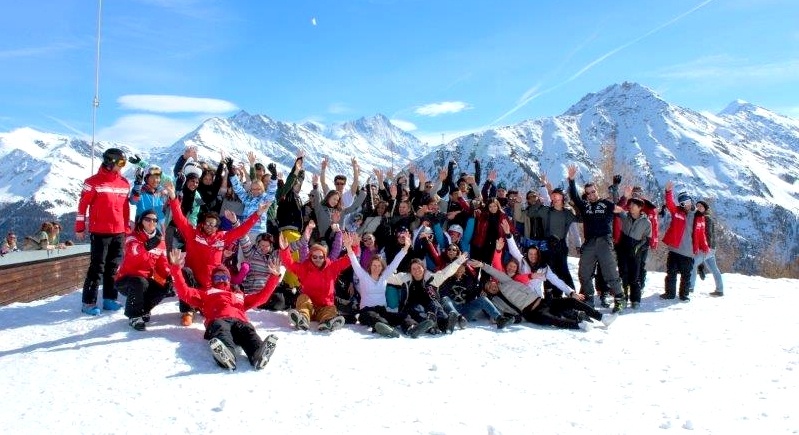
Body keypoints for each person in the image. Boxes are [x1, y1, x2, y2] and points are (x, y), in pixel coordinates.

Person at [168, 249, 282, 371]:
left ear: (229, 279)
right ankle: (226, 355)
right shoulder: (207, 293)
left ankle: (258, 353)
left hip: (239, 321)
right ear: (213, 280)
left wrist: (274, 277)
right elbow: (184, 292)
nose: (221, 280)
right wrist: (175, 269)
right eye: (217, 277)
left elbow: (261, 298)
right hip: (218, 320)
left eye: (224, 277)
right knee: (221, 328)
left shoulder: (239, 295)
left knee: (248, 330)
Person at [468, 259, 617, 331]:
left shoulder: (505, 281)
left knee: (572, 302)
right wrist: (485, 298)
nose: (492, 286)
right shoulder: (495, 302)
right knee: (553, 320)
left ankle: (602, 318)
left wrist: (482, 265)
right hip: (531, 313)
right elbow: (494, 313)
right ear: (487, 291)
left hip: (542, 301)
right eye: (488, 287)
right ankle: (579, 325)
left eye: (491, 283)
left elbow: (495, 272)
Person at [76, 148, 131, 316]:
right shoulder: (92, 182)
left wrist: (126, 228)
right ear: (110, 162)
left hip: (119, 231)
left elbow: (125, 207)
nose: (123, 166)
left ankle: (109, 298)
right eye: (120, 163)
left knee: (113, 267)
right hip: (100, 231)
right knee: (97, 267)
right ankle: (88, 302)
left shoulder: (124, 183)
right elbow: (82, 205)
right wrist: (80, 227)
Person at [566, 164, 625, 311]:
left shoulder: (606, 204)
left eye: (593, 192)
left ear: (596, 191)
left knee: (610, 271)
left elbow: (618, 205)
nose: (591, 194)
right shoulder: (585, 206)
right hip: (590, 242)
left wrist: (620, 195)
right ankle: (589, 298)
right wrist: (571, 180)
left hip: (605, 241)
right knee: (584, 272)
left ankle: (619, 299)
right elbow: (574, 196)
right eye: (588, 193)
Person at [279, 232, 357, 332]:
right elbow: (289, 264)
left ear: (325, 257)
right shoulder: (305, 268)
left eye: (321, 257)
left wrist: (353, 247)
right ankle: (302, 319)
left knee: (331, 308)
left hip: (324, 307)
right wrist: (285, 250)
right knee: (302, 298)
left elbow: (348, 260)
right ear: (310, 256)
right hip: (308, 307)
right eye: (314, 257)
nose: (318, 259)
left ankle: (327, 322)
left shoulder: (332, 267)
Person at [115, 210, 172, 331]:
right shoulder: (132, 236)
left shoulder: (160, 241)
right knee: (139, 282)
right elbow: (133, 252)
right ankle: (134, 316)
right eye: (148, 219)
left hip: (145, 280)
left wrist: (169, 276)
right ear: (141, 221)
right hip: (125, 280)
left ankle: (144, 310)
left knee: (164, 285)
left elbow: (162, 264)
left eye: (154, 220)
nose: (151, 222)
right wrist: (147, 245)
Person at [661, 183, 710, 301]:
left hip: (688, 252)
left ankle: (684, 295)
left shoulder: (699, 217)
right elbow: (670, 203)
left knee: (686, 275)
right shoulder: (677, 212)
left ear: (691, 201)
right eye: (682, 203)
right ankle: (670, 293)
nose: (686, 204)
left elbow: (701, 234)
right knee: (671, 273)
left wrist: (705, 247)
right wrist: (668, 192)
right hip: (675, 250)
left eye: (687, 201)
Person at [616, 197, 652, 309]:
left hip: (636, 252)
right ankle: (622, 300)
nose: (630, 207)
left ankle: (635, 299)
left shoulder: (646, 222)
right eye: (630, 205)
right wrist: (623, 197)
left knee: (635, 277)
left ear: (640, 207)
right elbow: (616, 209)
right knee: (623, 275)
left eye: (633, 205)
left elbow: (647, 240)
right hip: (622, 249)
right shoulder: (625, 216)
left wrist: (637, 248)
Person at [690, 200, 724, 297]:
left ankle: (690, 287)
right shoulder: (702, 217)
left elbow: (708, 234)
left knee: (692, 264)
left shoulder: (706, 218)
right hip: (711, 248)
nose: (699, 207)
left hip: (707, 248)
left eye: (701, 206)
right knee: (714, 269)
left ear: (705, 208)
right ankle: (720, 290)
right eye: (698, 206)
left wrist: (706, 248)